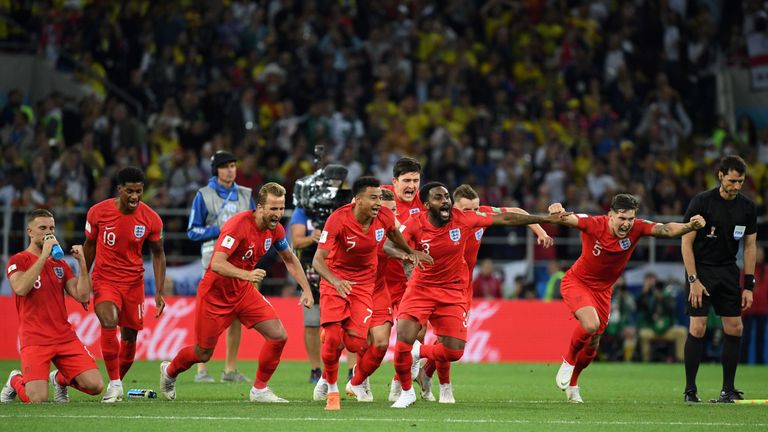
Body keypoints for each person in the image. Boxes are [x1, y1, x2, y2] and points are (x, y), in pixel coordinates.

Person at [390, 182, 566, 408]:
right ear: (427, 205)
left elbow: (511, 217)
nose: (445, 202)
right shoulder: (417, 224)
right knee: (407, 334)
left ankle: (422, 362)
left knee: (452, 348)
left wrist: (545, 223)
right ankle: (406, 389)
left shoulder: (467, 218)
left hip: (456, 287)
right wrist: (411, 253)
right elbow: (392, 241)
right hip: (422, 287)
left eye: (446, 197)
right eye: (439, 198)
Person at [160, 182, 314, 403]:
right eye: (273, 208)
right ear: (260, 207)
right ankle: (169, 371)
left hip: (242, 293)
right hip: (215, 295)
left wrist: (306, 289)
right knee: (203, 353)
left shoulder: (276, 229)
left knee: (278, 336)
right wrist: (247, 275)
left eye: (281, 208)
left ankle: (259, 389)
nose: (278, 214)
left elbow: (290, 259)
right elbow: (218, 264)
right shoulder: (237, 226)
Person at [551, 194, 705, 403]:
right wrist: (557, 212)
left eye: (630, 219)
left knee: (594, 341)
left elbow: (666, 230)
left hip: (603, 291)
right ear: (610, 216)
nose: (626, 224)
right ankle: (568, 362)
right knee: (590, 324)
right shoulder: (594, 224)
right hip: (577, 282)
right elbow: (569, 219)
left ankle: (573, 384)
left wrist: (689, 226)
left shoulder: (637, 228)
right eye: (622, 218)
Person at [311, 176, 428, 410]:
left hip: (367, 284)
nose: (379, 205)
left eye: (380, 200)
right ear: (357, 200)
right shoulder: (338, 220)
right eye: (373, 198)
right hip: (336, 280)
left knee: (355, 342)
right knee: (335, 337)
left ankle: (349, 374)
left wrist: (411, 251)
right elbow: (317, 260)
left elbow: (393, 235)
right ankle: (332, 389)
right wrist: (335, 281)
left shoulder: (383, 218)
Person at [1, 209, 103, 403]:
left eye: (51, 228)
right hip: (35, 339)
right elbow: (21, 288)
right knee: (38, 399)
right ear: (30, 232)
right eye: (42, 228)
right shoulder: (18, 260)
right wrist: (43, 256)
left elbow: (82, 295)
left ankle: (58, 379)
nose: (49, 232)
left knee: (95, 386)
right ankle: (15, 380)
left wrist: (82, 264)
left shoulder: (61, 265)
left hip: (63, 336)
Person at [84, 166, 166, 403]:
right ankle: (115, 385)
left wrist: (159, 291)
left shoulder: (151, 218)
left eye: (139, 191)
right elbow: (89, 246)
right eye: (129, 191)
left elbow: (158, 254)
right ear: (119, 189)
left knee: (129, 339)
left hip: (133, 284)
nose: (134, 197)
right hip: (105, 280)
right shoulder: (97, 212)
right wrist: (83, 280)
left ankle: (114, 382)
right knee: (108, 321)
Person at [681, 155, 757, 403]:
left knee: (735, 328)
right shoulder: (702, 202)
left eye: (741, 182)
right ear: (721, 176)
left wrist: (748, 286)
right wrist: (693, 280)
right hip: (700, 270)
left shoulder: (747, 208)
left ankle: (728, 390)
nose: (737, 186)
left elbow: (749, 247)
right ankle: (690, 391)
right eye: (733, 181)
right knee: (698, 327)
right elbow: (686, 243)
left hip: (727, 271)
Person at [187, 150, 255, 383]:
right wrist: (221, 230)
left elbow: (257, 225)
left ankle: (230, 370)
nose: (230, 170)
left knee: (236, 314)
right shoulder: (204, 195)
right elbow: (192, 231)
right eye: (225, 166)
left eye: (233, 165)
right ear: (216, 169)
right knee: (210, 312)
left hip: (242, 260)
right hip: (214, 258)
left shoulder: (246, 194)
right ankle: (201, 369)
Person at [381, 157, 424, 401]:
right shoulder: (380, 196)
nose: (411, 186)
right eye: (406, 181)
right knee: (375, 339)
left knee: (417, 331)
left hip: (409, 279)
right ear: (394, 182)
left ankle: (400, 382)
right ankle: (357, 379)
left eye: (416, 180)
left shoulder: (426, 201)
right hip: (380, 278)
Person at [289, 203, 324, 383]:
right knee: (312, 324)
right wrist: (313, 238)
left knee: (345, 325)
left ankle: (351, 370)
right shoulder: (302, 210)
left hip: (336, 268)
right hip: (310, 270)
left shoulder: (340, 206)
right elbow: (296, 241)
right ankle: (315, 369)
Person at [637, 276, 686, 362]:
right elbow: (640, 308)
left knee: (682, 332)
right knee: (643, 334)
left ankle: (680, 359)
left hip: (667, 329)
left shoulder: (668, 296)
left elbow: (672, 309)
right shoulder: (648, 297)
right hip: (652, 329)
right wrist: (645, 293)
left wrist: (663, 298)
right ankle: (646, 360)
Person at [741, 246, 766, 364]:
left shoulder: (766, 271)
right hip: (748, 308)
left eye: (761, 253)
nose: (759, 256)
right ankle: (743, 361)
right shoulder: (747, 270)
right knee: (746, 336)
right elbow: (741, 287)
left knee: (760, 337)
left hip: (763, 309)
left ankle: (760, 362)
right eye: (757, 254)